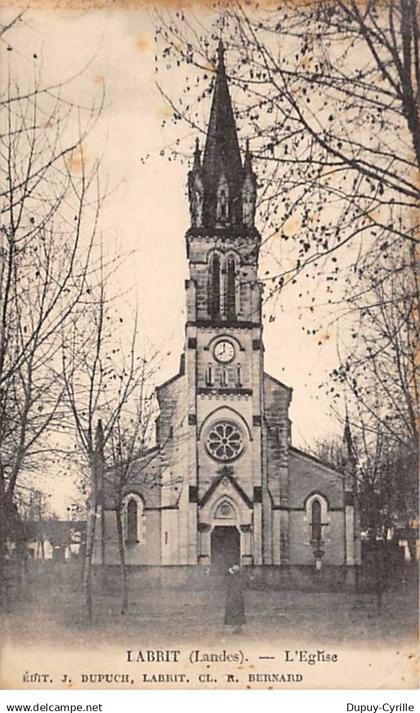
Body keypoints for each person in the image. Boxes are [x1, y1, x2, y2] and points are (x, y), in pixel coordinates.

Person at [224, 564, 245, 632]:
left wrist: (230, 598)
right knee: (238, 611)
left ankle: (235, 627)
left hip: (234, 597)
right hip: (238, 597)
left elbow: (233, 589)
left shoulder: (234, 579)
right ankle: (238, 627)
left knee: (234, 611)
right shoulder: (239, 578)